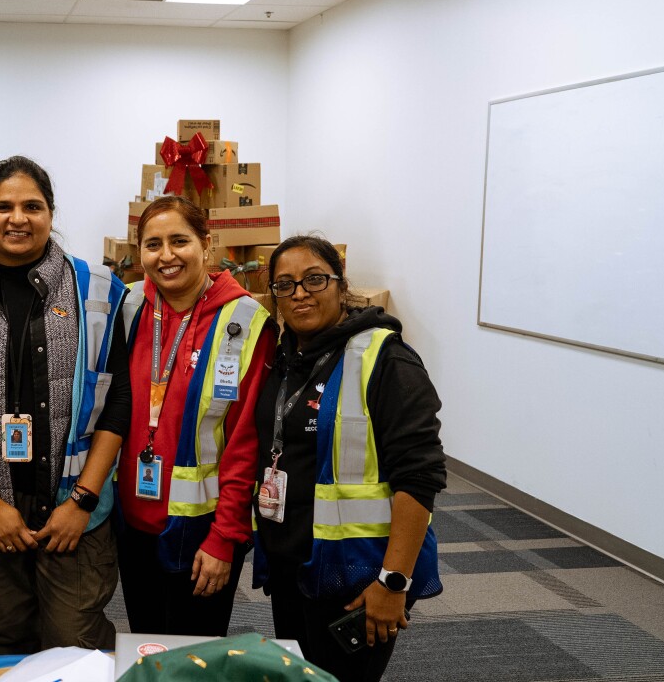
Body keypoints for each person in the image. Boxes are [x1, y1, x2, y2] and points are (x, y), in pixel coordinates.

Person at [0, 156, 130, 653]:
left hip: (73, 511)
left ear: (51, 212)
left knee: (74, 646)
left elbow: (117, 405)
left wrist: (82, 503)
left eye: (31, 206)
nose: (16, 218)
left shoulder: (99, 292)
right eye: (3, 207)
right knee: (3, 646)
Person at [250, 235, 446, 682]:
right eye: (285, 285)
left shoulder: (386, 359)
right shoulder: (286, 357)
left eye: (314, 279)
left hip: (357, 575)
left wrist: (393, 582)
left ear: (341, 285)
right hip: (293, 563)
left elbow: (420, 477)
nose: (300, 293)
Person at [116, 195, 277, 636]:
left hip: (203, 528)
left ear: (206, 243)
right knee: (146, 645)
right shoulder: (127, 306)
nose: (166, 256)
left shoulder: (244, 320)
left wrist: (225, 537)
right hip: (132, 521)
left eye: (179, 241)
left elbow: (247, 443)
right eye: (153, 244)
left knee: (193, 657)